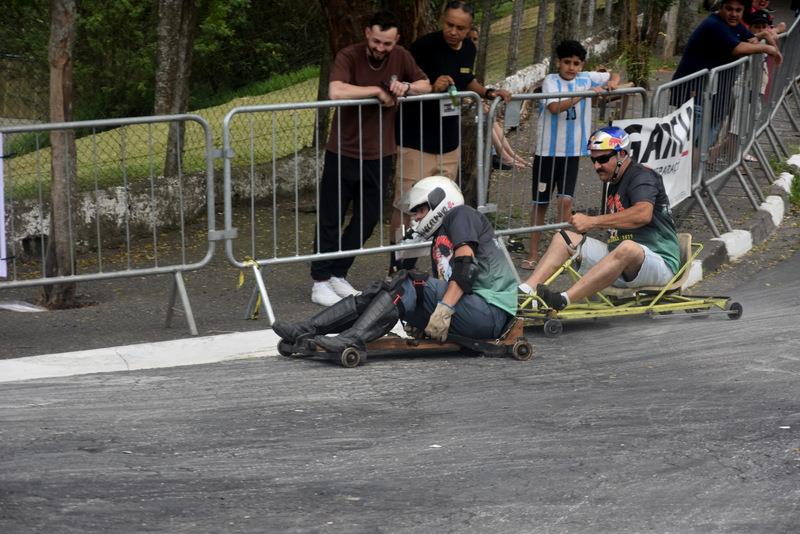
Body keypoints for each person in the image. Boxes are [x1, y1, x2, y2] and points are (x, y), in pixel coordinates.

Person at [273, 176, 519, 351]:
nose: (416, 218)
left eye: (419, 210)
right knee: (387, 287)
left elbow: (466, 267)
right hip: (474, 311)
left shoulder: (460, 214)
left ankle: (352, 338)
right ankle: (308, 328)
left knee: (408, 280)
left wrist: (444, 308)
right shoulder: (439, 238)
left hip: (491, 311)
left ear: (439, 201)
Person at [310, 11, 431, 306]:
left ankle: (338, 273)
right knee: (331, 216)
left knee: (367, 219)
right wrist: (376, 91)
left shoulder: (401, 56)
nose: (380, 48)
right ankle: (320, 281)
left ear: (397, 40)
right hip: (343, 151)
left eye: (387, 43)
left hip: (380, 154)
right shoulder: (348, 55)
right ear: (367, 33)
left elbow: (426, 84)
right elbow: (336, 90)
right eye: (376, 41)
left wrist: (407, 87)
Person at [389, 1, 511, 272]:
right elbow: (403, 84)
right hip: (416, 139)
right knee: (408, 205)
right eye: (449, 25)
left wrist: (488, 92)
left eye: (460, 28)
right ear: (441, 21)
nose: (454, 32)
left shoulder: (468, 48)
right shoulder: (423, 47)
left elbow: (467, 79)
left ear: (469, 29)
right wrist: (433, 87)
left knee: (444, 206)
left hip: (448, 142)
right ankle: (396, 267)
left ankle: (438, 266)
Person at [519, 127, 681, 311]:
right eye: (593, 160)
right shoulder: (614, 181)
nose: (597, 166)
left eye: (603, 159)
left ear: (622, 154)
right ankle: (526, 291)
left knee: (627, 248)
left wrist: (592, 221)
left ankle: (563, 300)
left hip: (659, 262)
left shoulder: (642, 176)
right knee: (563, 238)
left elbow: (643, 214)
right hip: (620, 261)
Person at [522, 39, 620, 270]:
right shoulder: (550, 81)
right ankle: (533, 253)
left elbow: (614, 75)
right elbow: (554, 108)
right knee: (540, 203)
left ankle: (558, 252)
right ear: (558, 62)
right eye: (567, 62)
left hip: (572, 153)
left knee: (566, 201)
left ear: (582, 64)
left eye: (576, 63)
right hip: (547, 153)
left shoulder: (586, 77)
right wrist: (584, 94)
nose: (571, 67)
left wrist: (612, 83)